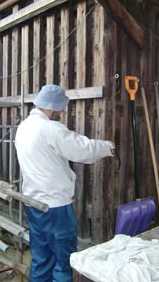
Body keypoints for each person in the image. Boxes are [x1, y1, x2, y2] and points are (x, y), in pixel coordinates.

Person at [15, 85, 114, 282]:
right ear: (52, 107)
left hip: (34, 203)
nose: (61, 113)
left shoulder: (23, 127)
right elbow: (82, 149)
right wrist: (107, 146)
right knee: (64, 261)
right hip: (56, 207)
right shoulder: (50, 129)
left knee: (41, 258)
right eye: (60, 109)